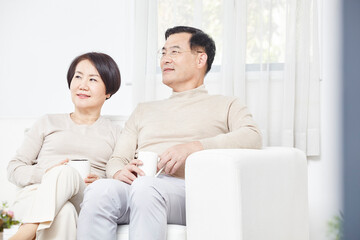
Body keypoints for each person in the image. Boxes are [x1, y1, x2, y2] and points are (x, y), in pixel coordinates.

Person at [77, 26, 262, 240]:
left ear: (200, 59)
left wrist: (195, 147)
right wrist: (119, 172)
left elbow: (252, 136)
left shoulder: (226, 105)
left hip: (188, 191)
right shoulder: (143, 110)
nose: (165, 59)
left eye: (174, 51)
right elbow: (117, 159)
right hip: (140, 187)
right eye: (163, 52)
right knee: (99, 191)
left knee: (146, 188)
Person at [7, 52, 121, 240]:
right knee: (65, 211)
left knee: (67, 174)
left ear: (108, 91)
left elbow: (123, 178)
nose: (82, 85)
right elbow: (14, 168)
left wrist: (102, 182)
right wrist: (46, 174)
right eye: (78, 76)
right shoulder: (47, 122)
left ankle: (24, 234)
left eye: (93, 79)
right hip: (35, 195)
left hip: (84, 199)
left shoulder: (116, 133)